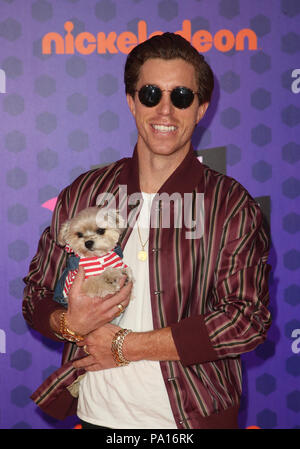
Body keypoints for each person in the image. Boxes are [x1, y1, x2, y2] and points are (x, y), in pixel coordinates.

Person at [23, 32, 271, 429]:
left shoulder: (229, 203)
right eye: (152, 93)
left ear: (202, 108)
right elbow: (36, 295)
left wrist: (127, 347)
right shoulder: (84, 192)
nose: (166, 111)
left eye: (183, 97)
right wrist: (70, 324)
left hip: (193, 418)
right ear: (131, 102)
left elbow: (246, 320)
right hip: (96, 416)